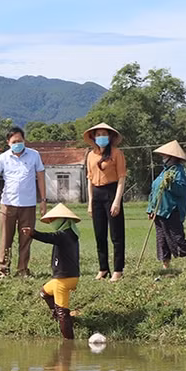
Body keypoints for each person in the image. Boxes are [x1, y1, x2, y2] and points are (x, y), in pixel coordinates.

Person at [0, 127, 47, 278]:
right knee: (6, 238)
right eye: (14, 142)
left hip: (28, 204)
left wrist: (43, 200)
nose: (17, 144)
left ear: (25, 141)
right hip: (8, 203)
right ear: (8, 143)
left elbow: (41, 177)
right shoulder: (3, 158)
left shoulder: (34, 155)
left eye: (20, 141)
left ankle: (23, 270)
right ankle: (4, 270)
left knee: (26, 238)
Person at [21, 203, 80, 339]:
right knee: (44, 293)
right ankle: (60, 318)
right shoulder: (72, 233)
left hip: (63, 280)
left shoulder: (64, 235)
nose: (52, 222)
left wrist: (33, 233)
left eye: (54, 220)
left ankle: (68, 344)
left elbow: (49, 238)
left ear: (63, 220)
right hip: (67, 277)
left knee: (62, 311)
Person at [147, 140, 186, 270]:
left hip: (172, 210)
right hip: (159, 211)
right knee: (161, 239)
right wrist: (151, 209)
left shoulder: (179, 172)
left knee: (177, 238)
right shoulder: (163, 173)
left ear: (172, 157)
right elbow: (154, 192)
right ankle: (166, 266)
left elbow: (182, 190)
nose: (163, 158)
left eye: (165, 156)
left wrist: (170, 183)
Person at [83, 122, 127, 282]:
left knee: (116, 234)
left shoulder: (117, 153)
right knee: (99, 234)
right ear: (94, 137)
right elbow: (89, 179)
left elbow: (122, 178)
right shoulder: (91, 155)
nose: (101, 137)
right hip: (96, 194)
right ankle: (103, 268)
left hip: (112, 192)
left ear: (110, 136)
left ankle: (118, 269)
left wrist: (116, 201)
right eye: (98, 134)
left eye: (104, 134)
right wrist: (90, 202)